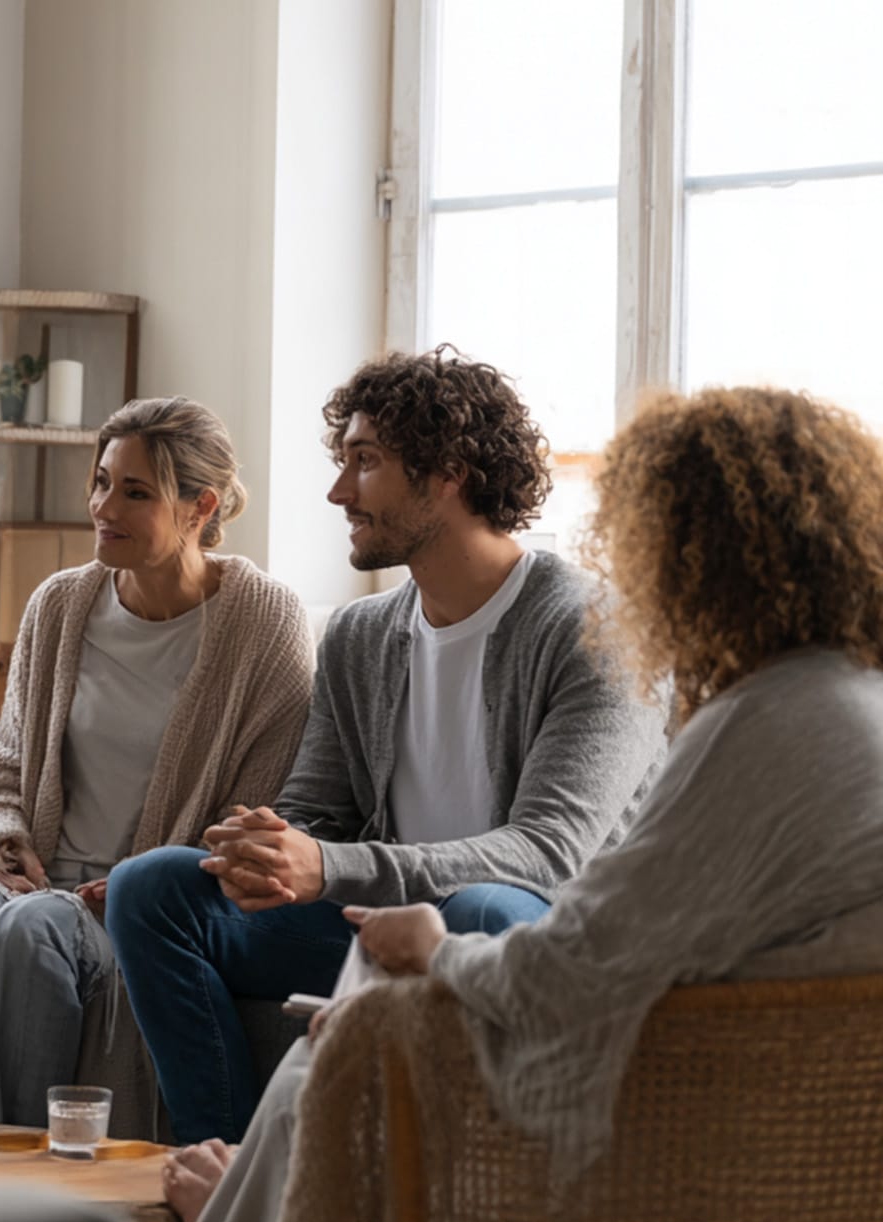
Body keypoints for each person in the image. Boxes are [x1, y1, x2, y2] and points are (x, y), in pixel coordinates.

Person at [163, 384, 883, 1222]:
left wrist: (433, 944)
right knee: (237, 936)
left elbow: (576, 955)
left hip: (699, 1126)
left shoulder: (765, 724)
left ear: (697, 561)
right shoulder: (851, 706)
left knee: (349, 1044)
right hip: (801, 1150)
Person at [107, 347, 667, 1146]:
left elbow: (548, 854)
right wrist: (253, 850)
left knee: (475, 911)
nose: (339, 492)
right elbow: (315, 811)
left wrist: (330, 867)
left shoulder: (597, 629)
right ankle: (224, 1167)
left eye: (364, 463)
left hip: (535, 930)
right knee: (151, 887)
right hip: (375, 916)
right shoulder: (362, 634)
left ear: (449, 471)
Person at [0, 397, 314, 1133]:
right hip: (35, 870)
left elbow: (259, 806)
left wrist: (150, 881)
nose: (103, 506)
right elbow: (2, 760)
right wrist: (2, 837)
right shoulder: (60, 603)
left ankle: (22, 1196)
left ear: (199, 507)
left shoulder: (262, 621)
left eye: (135, 491)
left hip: (139, 901)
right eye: (102, 481)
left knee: (30, 933)